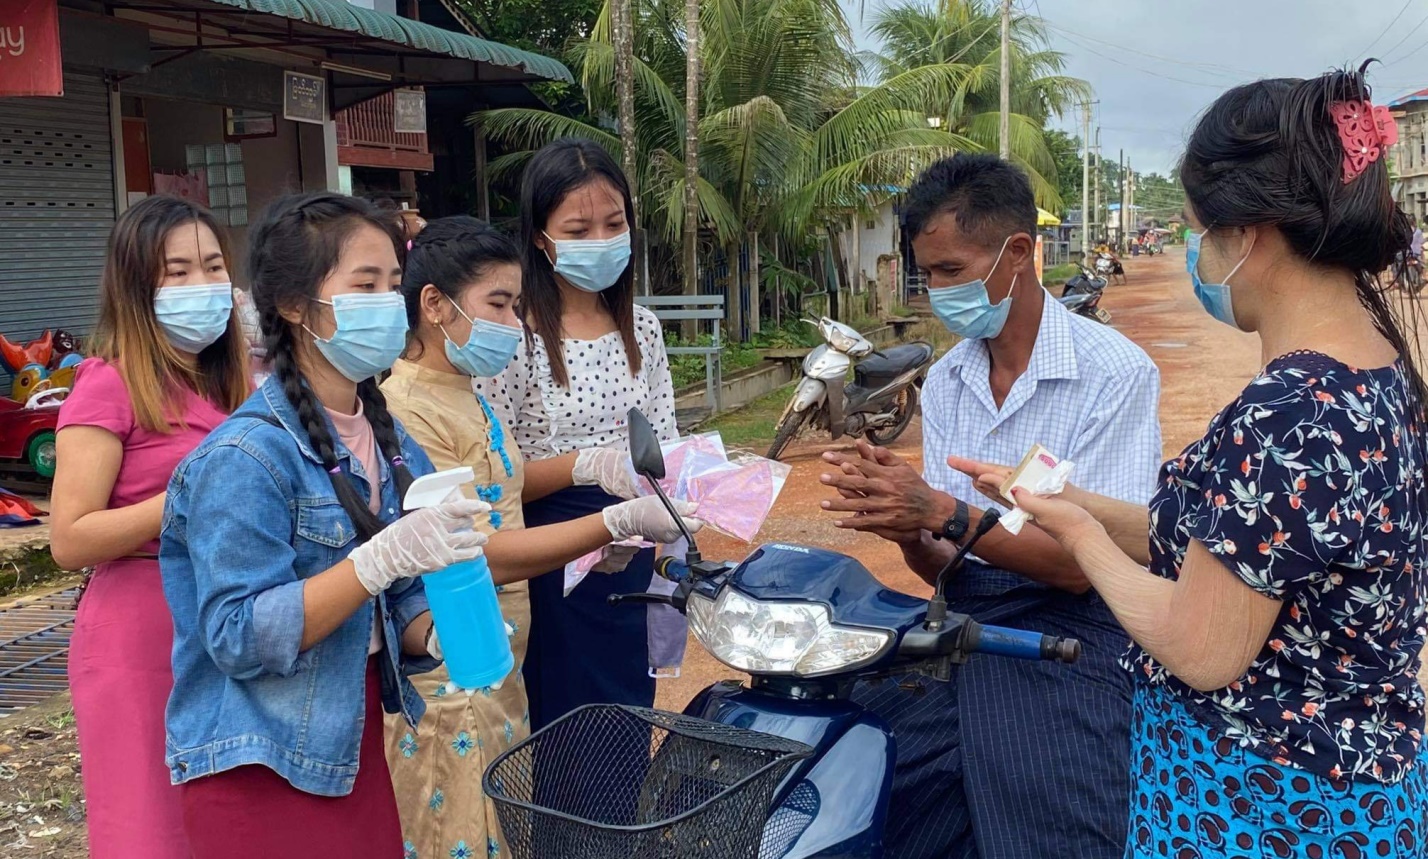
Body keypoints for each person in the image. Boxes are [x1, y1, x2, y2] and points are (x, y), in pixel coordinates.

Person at [961, 68, 1427, 858]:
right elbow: (1230, 542)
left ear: (1250, 235)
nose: (1196, 254)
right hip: (1350, 795)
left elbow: (1202, 643)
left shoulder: (1293, 411)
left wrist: (1079, 535)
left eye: (1198, 232)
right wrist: (1066, 496)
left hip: (1265, 810)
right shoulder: (1374, 369)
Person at [818, 153, 1162, 859]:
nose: (939, 291)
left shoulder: (1114, 373)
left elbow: (1082, 568)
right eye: (928, 274)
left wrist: (938, 509)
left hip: (1078, 629)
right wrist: (907, 525)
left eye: (951, 271)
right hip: (968, 616)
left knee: (1056, 797)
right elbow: (947, 562)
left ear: (1018, 253)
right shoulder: (948, 381)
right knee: (865, 755)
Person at [159, 192, 485, 858]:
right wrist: (372, 563)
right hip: (260, 766)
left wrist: (444, 626)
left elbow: (399, 600)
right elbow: (236, 634)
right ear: (294, 306)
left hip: (346, 744)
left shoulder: (388, 438)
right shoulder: (245, 456)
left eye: (394, 283)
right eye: (364, 284)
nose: (387, 302)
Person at [381, 215, 700, 858]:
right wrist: (611, 522)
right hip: (451, 667)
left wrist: (591, 491)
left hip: (500, 661)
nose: (513, 323)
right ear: (434, 304)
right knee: (465, 834)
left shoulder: (467, 395)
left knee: (511, 826)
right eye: (497, 304)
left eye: (517, 305)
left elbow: (504, 499)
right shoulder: (408, 409)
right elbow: (477, 551)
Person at [49, 196, 249, 859]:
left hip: (226, 619)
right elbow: (69, 538)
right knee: (151, 829)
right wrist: (183, 497)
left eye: (214, 266)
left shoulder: (231, 384)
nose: (204, 286)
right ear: (138, 288)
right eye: (178, 272)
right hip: (142, 632)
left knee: (224, 820)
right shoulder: (108, 384)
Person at [480, 138, 680, 730]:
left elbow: (666, 443)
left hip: (635, 552)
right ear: (541, 239)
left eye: (613, 224)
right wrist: (585, 466)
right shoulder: (511, 336)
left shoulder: (641, 325)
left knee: (624, 716)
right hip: (550, 557)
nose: (600, 241)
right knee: (561, 720)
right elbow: (492, 479)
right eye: (578, 227)